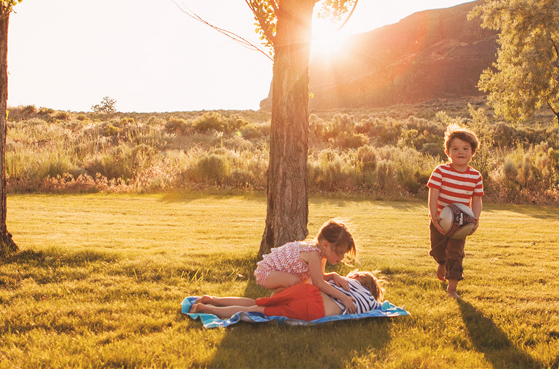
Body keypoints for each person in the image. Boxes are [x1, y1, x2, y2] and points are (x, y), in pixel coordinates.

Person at [427, 123, 484, 299]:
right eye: (456, 148)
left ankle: (452, 289)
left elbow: (477, 199)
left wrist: (475, 219)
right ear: (448, 152)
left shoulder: (475, 176)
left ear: (473, 152)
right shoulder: (440, 171)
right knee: (438, 250)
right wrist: (433, 215)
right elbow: (433, 193)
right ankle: (441, 262)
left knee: (456, 253)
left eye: (466, 148)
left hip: (461, 223)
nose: (461, 152)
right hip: (440, 220)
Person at [254, 219, 358, 312]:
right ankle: (271, 305)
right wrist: (343, 298)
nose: (342, 258)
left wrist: (334, 275)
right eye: (340, 253)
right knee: (295, 283)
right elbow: (318, 283)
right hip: (266, 273)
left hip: (276, 274)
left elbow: (320, 277)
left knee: (299, 285)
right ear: (325, 245)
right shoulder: (314, 254)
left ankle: (271, 304)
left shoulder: (320, 255)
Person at [190, 271, 385, 320]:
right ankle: (206, 309)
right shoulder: (371, 301)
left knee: (256, 301)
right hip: (314, 308)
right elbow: (382, 308)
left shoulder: (343, 281)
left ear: (357, 276)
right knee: (258, 311)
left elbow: (319, 280)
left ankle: (212, 299)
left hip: (306, 290)